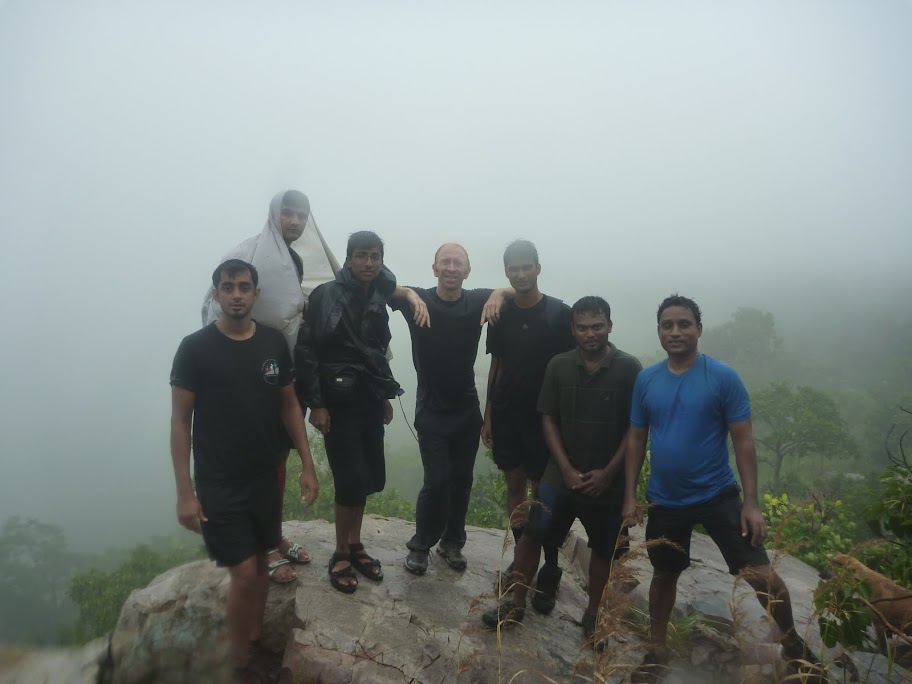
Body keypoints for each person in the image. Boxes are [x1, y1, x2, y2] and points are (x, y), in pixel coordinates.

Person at [622, 295, 826, 683]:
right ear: (659, 331)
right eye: (667, 325)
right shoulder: (647, 380)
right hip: (665, 499)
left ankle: (793, 644)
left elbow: (743, 441)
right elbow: (635, 437)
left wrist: (752, 503)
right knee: (664, 574)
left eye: (684, 324)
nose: (675, 331)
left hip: (717, 494)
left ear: (699, 329)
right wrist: (630, 496)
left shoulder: (722, 377)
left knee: (761, 575)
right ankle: (656, 651)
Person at [171, 259, 319, 681]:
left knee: (260, 566)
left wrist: (307, 464)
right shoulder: (195, 348)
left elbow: (289, 404)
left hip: (265, 474)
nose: (236, 294)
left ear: (256, 293)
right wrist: (185, 493)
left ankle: (254, 643)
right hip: (219, 481)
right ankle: (236, 662)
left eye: (243, 287)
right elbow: (180, 422)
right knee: (244, 572)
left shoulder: (272, 342)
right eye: (227, 287)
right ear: (216, 293)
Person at [482, 296, 641, 644]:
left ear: (610, 326)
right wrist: (566, 469)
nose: (590, 334)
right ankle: (516, 602)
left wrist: (609, 474)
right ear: (572, 330)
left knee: (604, 549)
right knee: (533, 533)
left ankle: (594, 614)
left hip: (608, 479)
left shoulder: (629, 368)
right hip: (560, 475)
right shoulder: (559, 365)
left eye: (597, 326)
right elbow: (548, 419)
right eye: (582, 328)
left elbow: (635, 428)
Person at [202, 190, 339, 583]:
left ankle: (273, 536)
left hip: (279, 372)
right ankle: (261, 546)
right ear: (274, 214)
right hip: (244, 379)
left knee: (276, 460)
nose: (294, 221)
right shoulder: (247, 253)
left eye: (301, 215)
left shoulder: (294, 259)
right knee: (251, 464)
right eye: (287, 213)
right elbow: (215, 308)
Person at [295, 231, 418, 593]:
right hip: (337, 400)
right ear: (348, 259)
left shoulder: (377, 296)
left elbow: (377, 349)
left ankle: (355, 544)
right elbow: (307, 351)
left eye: (375, 256)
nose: (368, 263)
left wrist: (383, 396)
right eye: (361, 255)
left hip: (368, 396)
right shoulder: (326, 295)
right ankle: (340, 552)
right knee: (348, 477)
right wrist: (317, 403)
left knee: (365, 475)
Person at [392, 243, 512, 575]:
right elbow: (381, 285)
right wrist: (409, 295)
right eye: (445, 262)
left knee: (461, 480)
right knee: (436, 480)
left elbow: (521, 289)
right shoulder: (419, 299)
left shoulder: (477, 301)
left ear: (467, 271)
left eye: (458, 263)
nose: (451, 268)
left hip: (466, 407)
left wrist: (499, 293)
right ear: (435, 268)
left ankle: (452, 542)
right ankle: (421, 546)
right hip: (431, 408)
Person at [481, 239, 575, 613]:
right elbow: (497, 365)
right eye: (514, 268)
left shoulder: (558, 314)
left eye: (526, 267)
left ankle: (549, 569)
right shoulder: (500, 314)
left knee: (545, 497)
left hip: (545, 419)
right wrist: (488, 414)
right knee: (515, 487)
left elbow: (572, 368)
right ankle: (522, 560)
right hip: (508, 413)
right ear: (506, 272)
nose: (520, 274)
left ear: (538, 268)